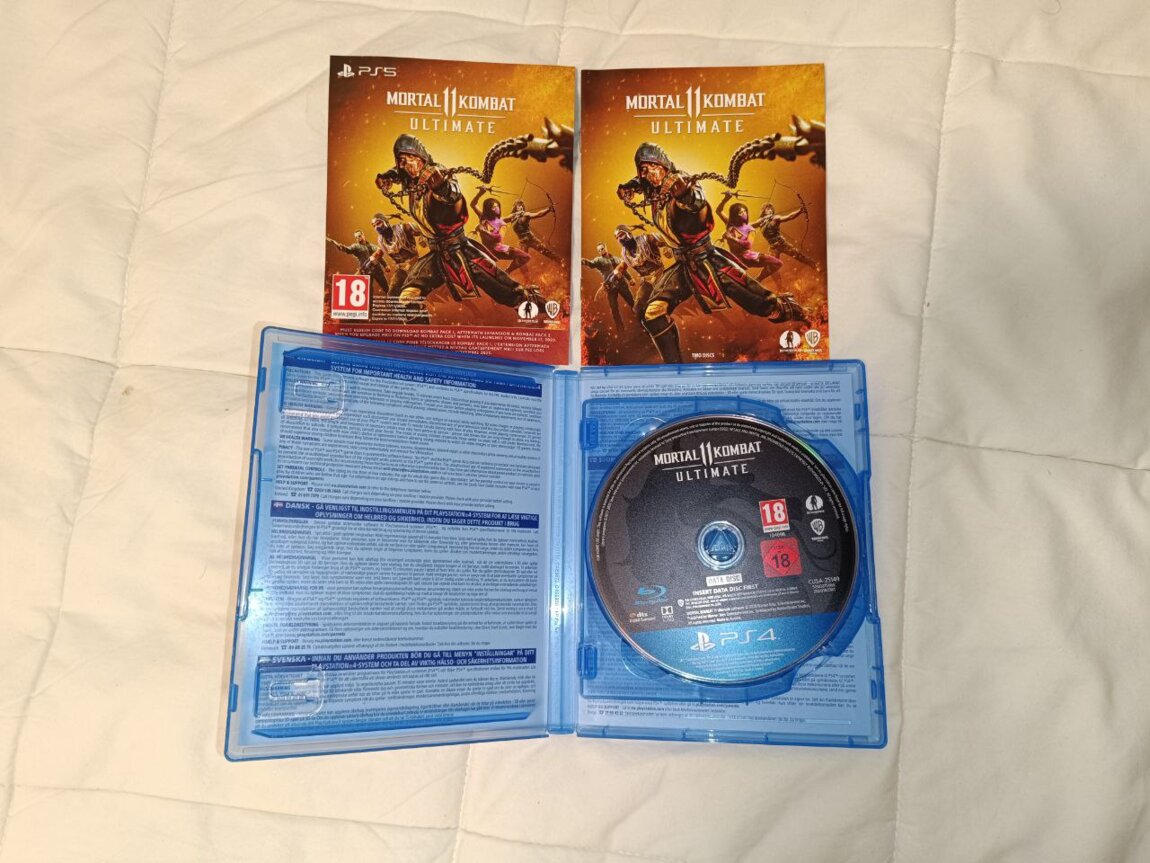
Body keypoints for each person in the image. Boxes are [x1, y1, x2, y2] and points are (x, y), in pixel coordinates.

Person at [616, 142, 805, 363]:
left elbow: (698, 204)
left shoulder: (681, 181)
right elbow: (641, 183)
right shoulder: (653, 188)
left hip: (708, 262)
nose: (649, 174)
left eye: (652, 168)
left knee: (765, 306)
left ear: (663, 165)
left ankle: (792, 310)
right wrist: (628, 187)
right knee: (652, 313)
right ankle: (674, 369)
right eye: (643, 170)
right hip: (683, 265)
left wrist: (685, 196)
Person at [374, 134, 544, 324]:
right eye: (401, 161)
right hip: (436, 255)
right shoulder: (411, 179)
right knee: (407, 299)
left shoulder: (438, 173)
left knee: (510, 293)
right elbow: (400, 174)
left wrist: (442, 188)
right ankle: (421, 338)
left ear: (419, 157)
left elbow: (453, 194)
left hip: (460, 251)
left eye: (407, 159)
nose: (404, 165)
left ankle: (544, 309)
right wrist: (387, 177)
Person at [716, 192, 784, 286]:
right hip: (735, 259)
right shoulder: (730, 224)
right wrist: (726, 199)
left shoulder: (749, 228)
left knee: (777, 263)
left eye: (745, 211)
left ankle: (758, 279)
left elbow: (748, 244)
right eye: (740, 212)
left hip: (747, 257)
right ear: (736, 215)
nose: (744, 214)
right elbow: (719, 211)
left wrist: (732, 239)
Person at [469, 189, 529, 273]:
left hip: (499, 250)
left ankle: (507, 271)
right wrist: (480, 193)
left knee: (525, 257)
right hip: (488, 251)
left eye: (497, 206)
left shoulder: (501, 222)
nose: (497, 209)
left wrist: (518, 213)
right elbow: (473, 204)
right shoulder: (483, 217)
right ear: (489, 210)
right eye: (494, 207)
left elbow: (499, 238)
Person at [582, 242, 636, 332]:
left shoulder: (615, 259)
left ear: (605, 248)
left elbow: (623, 269)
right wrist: (584, 261)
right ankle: (620, 327)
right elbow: (591, 264)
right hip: (610, 287)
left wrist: (630, 279)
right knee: (614, 308)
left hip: (622, 284)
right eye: (599, 250)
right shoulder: (599, 260)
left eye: (602, 249)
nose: (601, 251)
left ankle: (641, 318)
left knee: (632, 302)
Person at [326, 230, 389, 296]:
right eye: (356, 237)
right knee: (368, 292)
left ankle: (392, 301)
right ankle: (369, 303)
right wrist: (340, 246)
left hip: (377, 270)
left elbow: (379, 256)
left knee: (386, 287)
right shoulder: (355, 246)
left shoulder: (372, 246)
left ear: (363, 235)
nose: (358, 238)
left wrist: (385, 265)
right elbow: (348, 250)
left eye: (359, 236)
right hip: (366, 271)